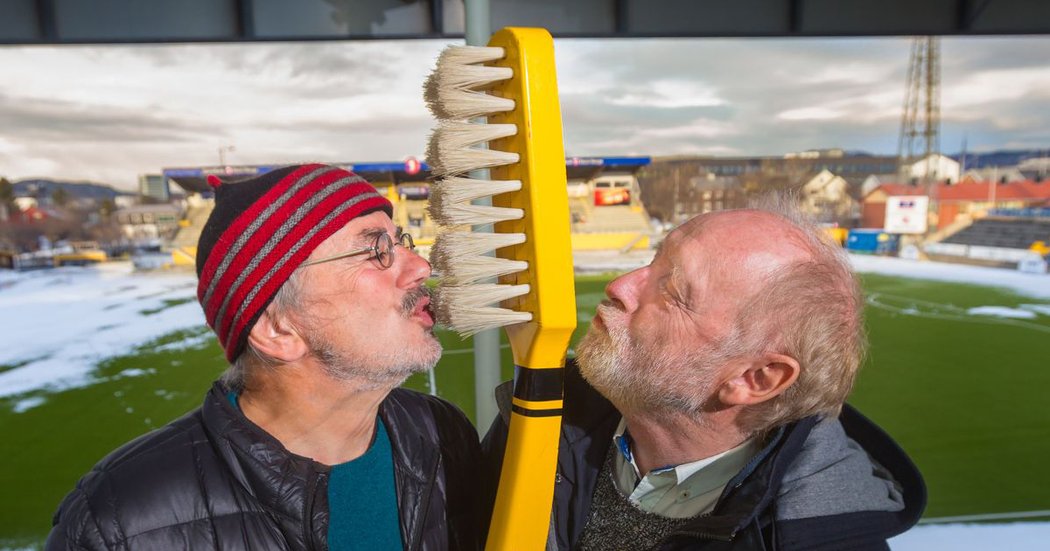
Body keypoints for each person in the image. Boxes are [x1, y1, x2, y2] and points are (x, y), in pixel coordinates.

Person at [48, 164, 481, 550]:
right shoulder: (117, 524)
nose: (420, 266)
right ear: (277, 329)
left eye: (400, 241)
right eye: (375, 250)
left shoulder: (443, 433)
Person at [483, 199, 926, 550]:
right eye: (652, 262)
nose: (620, 286)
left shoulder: (820, 537)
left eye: (673, 290)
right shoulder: (537, 421)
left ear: (755, 379)